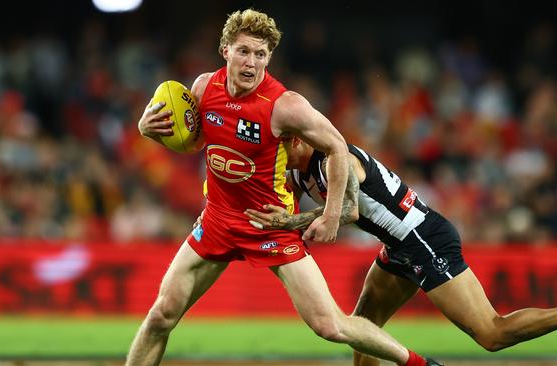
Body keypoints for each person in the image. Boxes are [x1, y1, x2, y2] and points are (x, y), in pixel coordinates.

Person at [129, 9, 441, 366]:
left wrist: (331, 214)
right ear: (225, 50)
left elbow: (337, 146)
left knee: (330, 325)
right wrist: (147, 129)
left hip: (269, 226)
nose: (252, 63)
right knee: (160, 316)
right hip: (216, 219)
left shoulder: (284, 105)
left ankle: (419, 364)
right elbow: (200, 141)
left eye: (260, 54)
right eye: (244, 51)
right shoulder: (202, 88)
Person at [245, 137, 557, 366]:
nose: (273, 155)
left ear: (297, 140)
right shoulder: (297, 170)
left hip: (424, 239)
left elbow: (344, 212)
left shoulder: (336, 159)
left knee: (492, 334)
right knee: (363, 330)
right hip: (397, 246)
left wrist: (288, 223)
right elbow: (281, 199)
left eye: (278, 146)